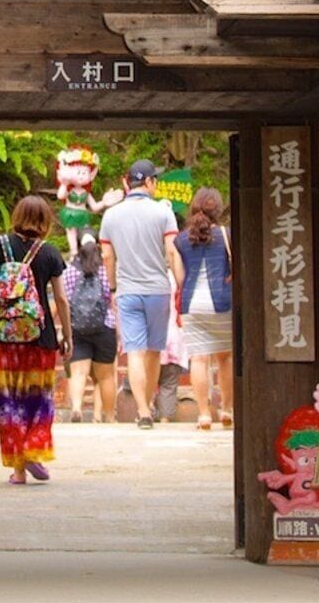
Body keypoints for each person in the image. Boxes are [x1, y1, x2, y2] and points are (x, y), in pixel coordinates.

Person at [0, 192, 68, 482]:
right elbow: (61, 299)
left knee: (9, 399)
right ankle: (33, 450)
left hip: (4, 336)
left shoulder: (0, 245)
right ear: (45, 222)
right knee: (38, 398)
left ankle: (18, 470)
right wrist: (67, 335)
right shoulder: (49, 253)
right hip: (40, 336)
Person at [98, 163, 180, 427]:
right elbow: (171, 251)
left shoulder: (111, 215)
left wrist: (112, 287)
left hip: (127, 291)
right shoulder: (163, 213)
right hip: (158, 290)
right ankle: (149, 404)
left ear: (128, 183)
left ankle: (143, 412)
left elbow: (107, 256)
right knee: (155, 350)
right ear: (149, 183)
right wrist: (179, 284)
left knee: (134, 351)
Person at [172, 185, 237, 430]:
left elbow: (179, 278)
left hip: (192, 305)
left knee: (198, 359)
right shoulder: (227, 234)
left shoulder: (181, 239)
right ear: (219, 209)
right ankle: (227, 410)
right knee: (225, 358)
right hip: (222, 302)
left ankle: (203, 415)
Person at [59, 235, 118, 423]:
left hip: (77, 326)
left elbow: (65, 300)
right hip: (104, 325)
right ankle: (109, 417)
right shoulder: (107, 270)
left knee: (78, 373)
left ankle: (76, 409)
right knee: (106, 376)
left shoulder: (68, 272)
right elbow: (112, 300)